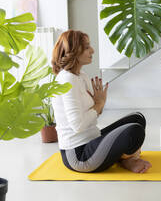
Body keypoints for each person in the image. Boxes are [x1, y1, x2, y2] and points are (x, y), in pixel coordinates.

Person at [51, 29, 152, 173]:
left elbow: (92, 114)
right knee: (134, 131)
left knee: (137, 119)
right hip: (79, 156)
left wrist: (99, 104)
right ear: (73, 51)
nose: (92, 50)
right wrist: (99, 105)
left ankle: (125, 159)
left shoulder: (81, 75)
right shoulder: (67, 79)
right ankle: (128, 159)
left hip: (92, 139)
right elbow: (78, 125)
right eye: (86, 47)